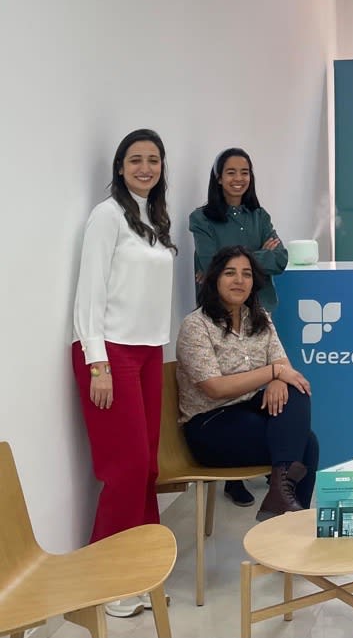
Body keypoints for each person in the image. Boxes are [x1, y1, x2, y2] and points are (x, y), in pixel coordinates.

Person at [70, 128, 177, 618]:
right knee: (125, 469)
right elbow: (89, 292)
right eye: (135, 159)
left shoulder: (153, 220)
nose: (145, 168)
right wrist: (98, 362)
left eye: (153, 160)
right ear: (119, 166)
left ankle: (141, 573)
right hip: (108, 354)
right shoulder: (106, 216)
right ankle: (105, 583)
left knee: (149, 468)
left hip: (148, 351)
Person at [176, 246, 319, 521]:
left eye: (246, 274)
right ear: (214, 278)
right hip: (209, 424)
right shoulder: (196, 325)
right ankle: (289, 521)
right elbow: (215, 387)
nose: (239, 280)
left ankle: (282, 500)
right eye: (230, 273)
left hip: (249, 410)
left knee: (297, 392)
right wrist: (273, 373)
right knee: (306, 444)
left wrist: (278, 376)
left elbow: (284, 367)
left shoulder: (260, 317)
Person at [190, 148, 288, 507]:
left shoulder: (258, 215)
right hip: (223, 317)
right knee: (236, 389)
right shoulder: (201, 218)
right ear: (218, 177)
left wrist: (241, 257)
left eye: (244, 172)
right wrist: (257, 255)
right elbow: (209, 263)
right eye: (230, 172)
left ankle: (277, 472)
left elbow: (282, 258)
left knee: (275, 386)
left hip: (261, 313)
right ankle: (236, 478)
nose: (238, 179)